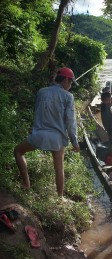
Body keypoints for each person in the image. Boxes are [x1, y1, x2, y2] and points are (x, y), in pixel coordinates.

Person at [14, 67, 80, 197]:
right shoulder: (68, 97)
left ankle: (26, 184)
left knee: (18, 151)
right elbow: (70, 122)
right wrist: (75, 142)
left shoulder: (41, 92)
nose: (71, 85)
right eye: (71, 82)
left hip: (38, 135)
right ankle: (60, 197)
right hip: (57, 138)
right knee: (59, 168)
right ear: (66, 80)